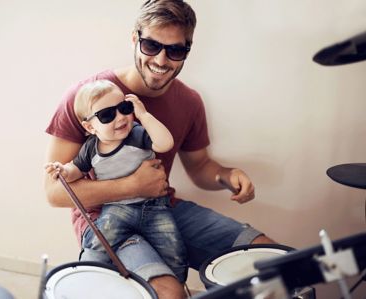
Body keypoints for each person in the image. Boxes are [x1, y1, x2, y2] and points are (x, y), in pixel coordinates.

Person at [44, 1, 275, 298]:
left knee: (268, 257)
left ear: (188, 50)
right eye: (151, 45)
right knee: (169, 293)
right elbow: (54, 192)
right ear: (134, 39)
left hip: (161, 208)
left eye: (175, 50)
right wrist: (130, 186)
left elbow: (200, 166)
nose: (162, 60)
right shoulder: (86, 97)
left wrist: (227, 176)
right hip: (105, 220)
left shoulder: (190, 102)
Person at [45, 79, 187, 283]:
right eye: (107, 115)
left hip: (154, 208)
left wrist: (144, 115)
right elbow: (76, 170)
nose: (120, 117)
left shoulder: (137, 133)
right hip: (117, 209)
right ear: (90, 127)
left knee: (174, 249)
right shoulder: (91, 148)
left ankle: (177, 286)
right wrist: (63, 170)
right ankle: (85, 279)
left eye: (124, 108)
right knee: (99, 241)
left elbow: (165, 143)